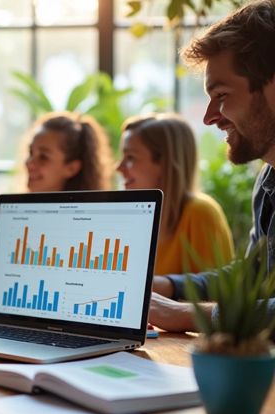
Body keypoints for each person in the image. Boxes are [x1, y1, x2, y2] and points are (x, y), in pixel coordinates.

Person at [149, 0, 275, 333]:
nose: (208, 117)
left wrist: (189, 314)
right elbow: (247, 278)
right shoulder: (268, 181)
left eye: (220, 94)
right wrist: (164, 287)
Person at [0, 111, 113, 291]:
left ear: (71, 168)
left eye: (43, 157)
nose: (29, 163)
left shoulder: (95, 220)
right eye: (31, 153)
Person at [117, 112, 234, 275]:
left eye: (130, 157)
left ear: (165, 163)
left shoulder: (200, 213)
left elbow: (217, 292)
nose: (119, 167)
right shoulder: (134, 216)